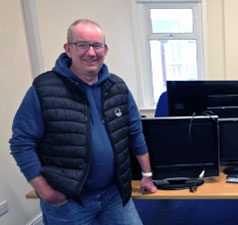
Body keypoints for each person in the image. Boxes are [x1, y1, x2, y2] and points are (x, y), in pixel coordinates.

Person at [9, 19, 157, 225]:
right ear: (68, 49)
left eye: (97, 45)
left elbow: (134, 132)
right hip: (68, 200)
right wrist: (43, 189)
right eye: (82, 45)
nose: (91, 52)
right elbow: (21, 143)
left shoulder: (118, 87)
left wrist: (147, 174)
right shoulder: (44, 89)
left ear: (105, 50)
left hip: (114, 194)